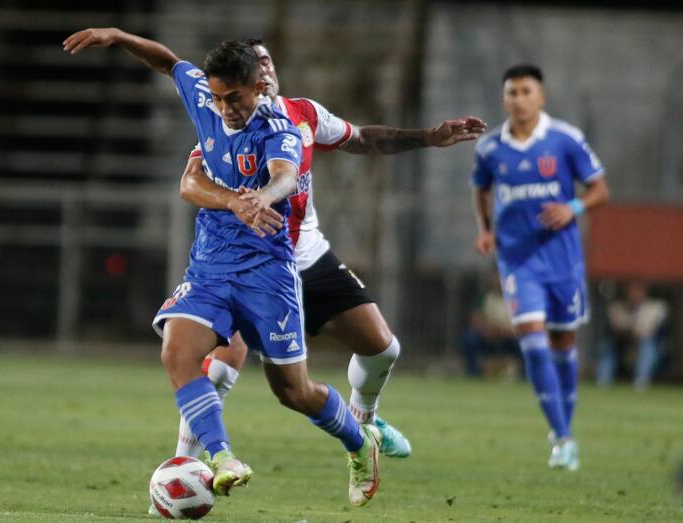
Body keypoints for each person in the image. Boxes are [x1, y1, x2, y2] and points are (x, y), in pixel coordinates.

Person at [63, 29, 382, 507]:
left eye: (235, 97)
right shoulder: (206, 100)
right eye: (218, 97)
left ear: (258, 87)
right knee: (177, 352)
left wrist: (264, 198)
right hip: (211, 267)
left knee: (294, 392)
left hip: (269, 274)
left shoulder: (279, 128)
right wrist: (118, 36)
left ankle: (361, 442)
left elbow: (286, 175)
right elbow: (169, 61)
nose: (226, 107)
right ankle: (222, 458)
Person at [173, 38, 486, 462]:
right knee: (221, 368)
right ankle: (186, 467)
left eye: (268, 61)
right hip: (249, 263)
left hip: (307, 256)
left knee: (384, 349)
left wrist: (429, 137)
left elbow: (362, 139)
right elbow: (195, 178)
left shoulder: (303, 115)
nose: (265, 71)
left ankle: (365, 418)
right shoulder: (225, 124)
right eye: (257, 64)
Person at [470, 64, 609, 471]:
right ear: (504, 98)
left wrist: (574, 207)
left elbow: (600, 189)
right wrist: (485, 229)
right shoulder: (490, 148)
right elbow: (480, 188)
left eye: (526, 91)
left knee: (564, 345)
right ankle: (562, 438)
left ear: (541, 97)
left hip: (563, 260)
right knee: (532, 339)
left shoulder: (565, 140)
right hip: (517, 259)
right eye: (511, 92)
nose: (518, 99)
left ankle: (566, 429)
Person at [596, 280, 669, 389]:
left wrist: (633, 330)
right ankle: (603, 382)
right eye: (632, 290)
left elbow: (650, 332)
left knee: (648, 347)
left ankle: (640, 382)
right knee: (606, 345)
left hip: (644, 344)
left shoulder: (655, 307)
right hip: (621, 344)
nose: (635, 294)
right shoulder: (617, 307)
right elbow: (614, 328)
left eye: (638, 290)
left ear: (645, 292)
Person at [461, 271, 521, 378]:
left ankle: (524, 376)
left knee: (525, 342)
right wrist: (487, 330)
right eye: (497, 277)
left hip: (510, 337)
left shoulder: (517, 298)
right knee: (470, 338)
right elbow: (475, 319)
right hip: (488, 336)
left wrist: (508, 332)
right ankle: (473, 373)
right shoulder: (484, 297)